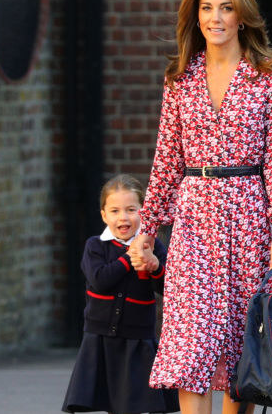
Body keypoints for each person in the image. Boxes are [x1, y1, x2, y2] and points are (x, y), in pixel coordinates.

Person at [128, 0, 272, 414]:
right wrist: (148, 227)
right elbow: (166, 157)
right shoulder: (180, 77)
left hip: (248, 217)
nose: (215, 17)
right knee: (190, 345)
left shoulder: (268, 75)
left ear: (241, 16)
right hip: (194, 219)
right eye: (206, 8)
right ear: (195, 16)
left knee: (244, 346)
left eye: (226, 8)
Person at [63, 175, 179, 414]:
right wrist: (128, 258)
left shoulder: (153, 246)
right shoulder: (95, 246)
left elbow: (167, 289)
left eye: (131, 209)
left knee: (134, 402)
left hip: (137, 338)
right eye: (115, 211)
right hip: (100, 337)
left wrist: (155, 267)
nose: (123, 217)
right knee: (109, 400)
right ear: (104, 215)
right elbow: (100, 280)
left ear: (143, 212)